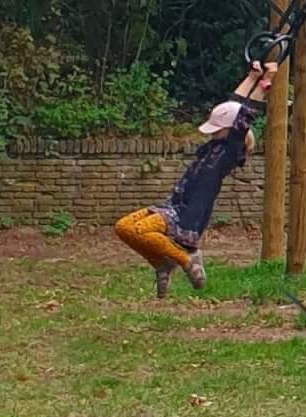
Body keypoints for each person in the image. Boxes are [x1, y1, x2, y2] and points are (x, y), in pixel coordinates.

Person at [114, 62, 277, 297]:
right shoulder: (215, 144)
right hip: (173, 204)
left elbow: (245, 113)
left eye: (217, 129)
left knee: (141, 231)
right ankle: (163, 264)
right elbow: (232, 106)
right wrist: (252, 78)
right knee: (122, 227)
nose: (211, 132)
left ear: (232, 132)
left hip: (186, 213)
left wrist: (267, 80)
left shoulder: (229, 152)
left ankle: (187, 261)